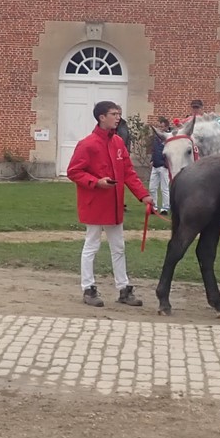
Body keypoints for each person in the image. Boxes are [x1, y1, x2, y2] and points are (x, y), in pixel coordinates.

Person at [66, 100, 153, 308]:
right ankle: (88, 288)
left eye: (118, 114)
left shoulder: (118, 143)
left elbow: (128, 172)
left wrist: (143, 195)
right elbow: (74, 171)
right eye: (114, 114)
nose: (118, 118)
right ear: (101, 117)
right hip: (95, 203)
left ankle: (123, 288)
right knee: (91, 245)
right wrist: (96, 182)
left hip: (114, 206)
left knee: (119, 247)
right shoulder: (87, 144)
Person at [147, 116, 172, 214]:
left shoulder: (169, 138)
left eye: (162, 127)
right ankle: (154, 207)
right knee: (152, 188)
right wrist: (152, 160)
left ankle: (165, 208)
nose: (160, 129)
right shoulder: (156, 137)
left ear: (166, 127)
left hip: (164, 166)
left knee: (164, 188)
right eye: (159, 127)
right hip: (155, 165)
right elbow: (154, 150)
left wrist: (166, 163)